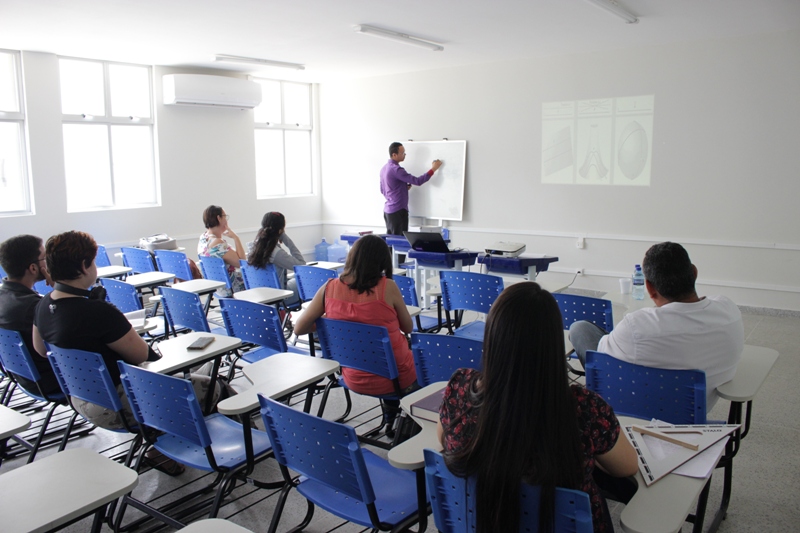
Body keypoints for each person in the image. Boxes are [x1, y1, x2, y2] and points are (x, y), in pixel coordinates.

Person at [438, 282, 638, 533]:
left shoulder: (459, 388)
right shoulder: (586, 410)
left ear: (492, 337)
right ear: (554, 343)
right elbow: (628, 466)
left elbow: (444, 437)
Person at [32, 231, 227, 475]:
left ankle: (165, 445)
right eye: (92, 262)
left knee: (192, 376)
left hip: (81, 397)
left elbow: (41, 350)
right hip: (119, 404)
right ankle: (234, 455)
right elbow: (143, 357)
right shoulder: (96, 311)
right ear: (83, 266)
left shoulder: (42, 304)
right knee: (215, 387)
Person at [569, 241, 744, 411]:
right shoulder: (728, 309)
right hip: (695, 412)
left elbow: (601, 360)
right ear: (694, 272)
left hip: (638, 409)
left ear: (649, 287)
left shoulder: (636, 326)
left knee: (580, 329)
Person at [294, 234, 418, 429]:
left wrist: (330, 325)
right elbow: (408, 327)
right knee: (421, 366)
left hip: (351, 375)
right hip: (395, 379)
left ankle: (390, 419)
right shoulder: (388, 287)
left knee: (383, 358)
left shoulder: (329, 287)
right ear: (382, 261)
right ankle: (404, 424)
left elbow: (299, 328)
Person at [0, 234, 59, 396]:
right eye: (44, 258)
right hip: (51, 381)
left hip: (22, 376)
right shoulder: (34, 306)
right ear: (33, 268)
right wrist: (59, 290)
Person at [380, 142, 442, 236]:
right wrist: (433, 169)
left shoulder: (384, 168)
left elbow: (383, 189)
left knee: (391, 243)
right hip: (398, 211)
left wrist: (402, 188)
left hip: (388, 211)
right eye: (402, 153)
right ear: (394, 155)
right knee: (399, 244)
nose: (405, 155)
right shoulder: (397, 170)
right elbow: (417, 181)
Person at [247, 211, 305, 306]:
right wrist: (285, 238)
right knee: (307, 280)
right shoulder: (276, 253)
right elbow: (302, 265)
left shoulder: (253, 247)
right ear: (280, 230)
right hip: (279, 297)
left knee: (294, 278)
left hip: (259, 294)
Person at [198, 205, 246, 296]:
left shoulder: (203, 237)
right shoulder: (218, 243)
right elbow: (242, 262)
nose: (227, 220)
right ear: (219, 218)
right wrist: (236, 238)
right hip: (232, 287)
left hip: (216, 287)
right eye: (225, 216)